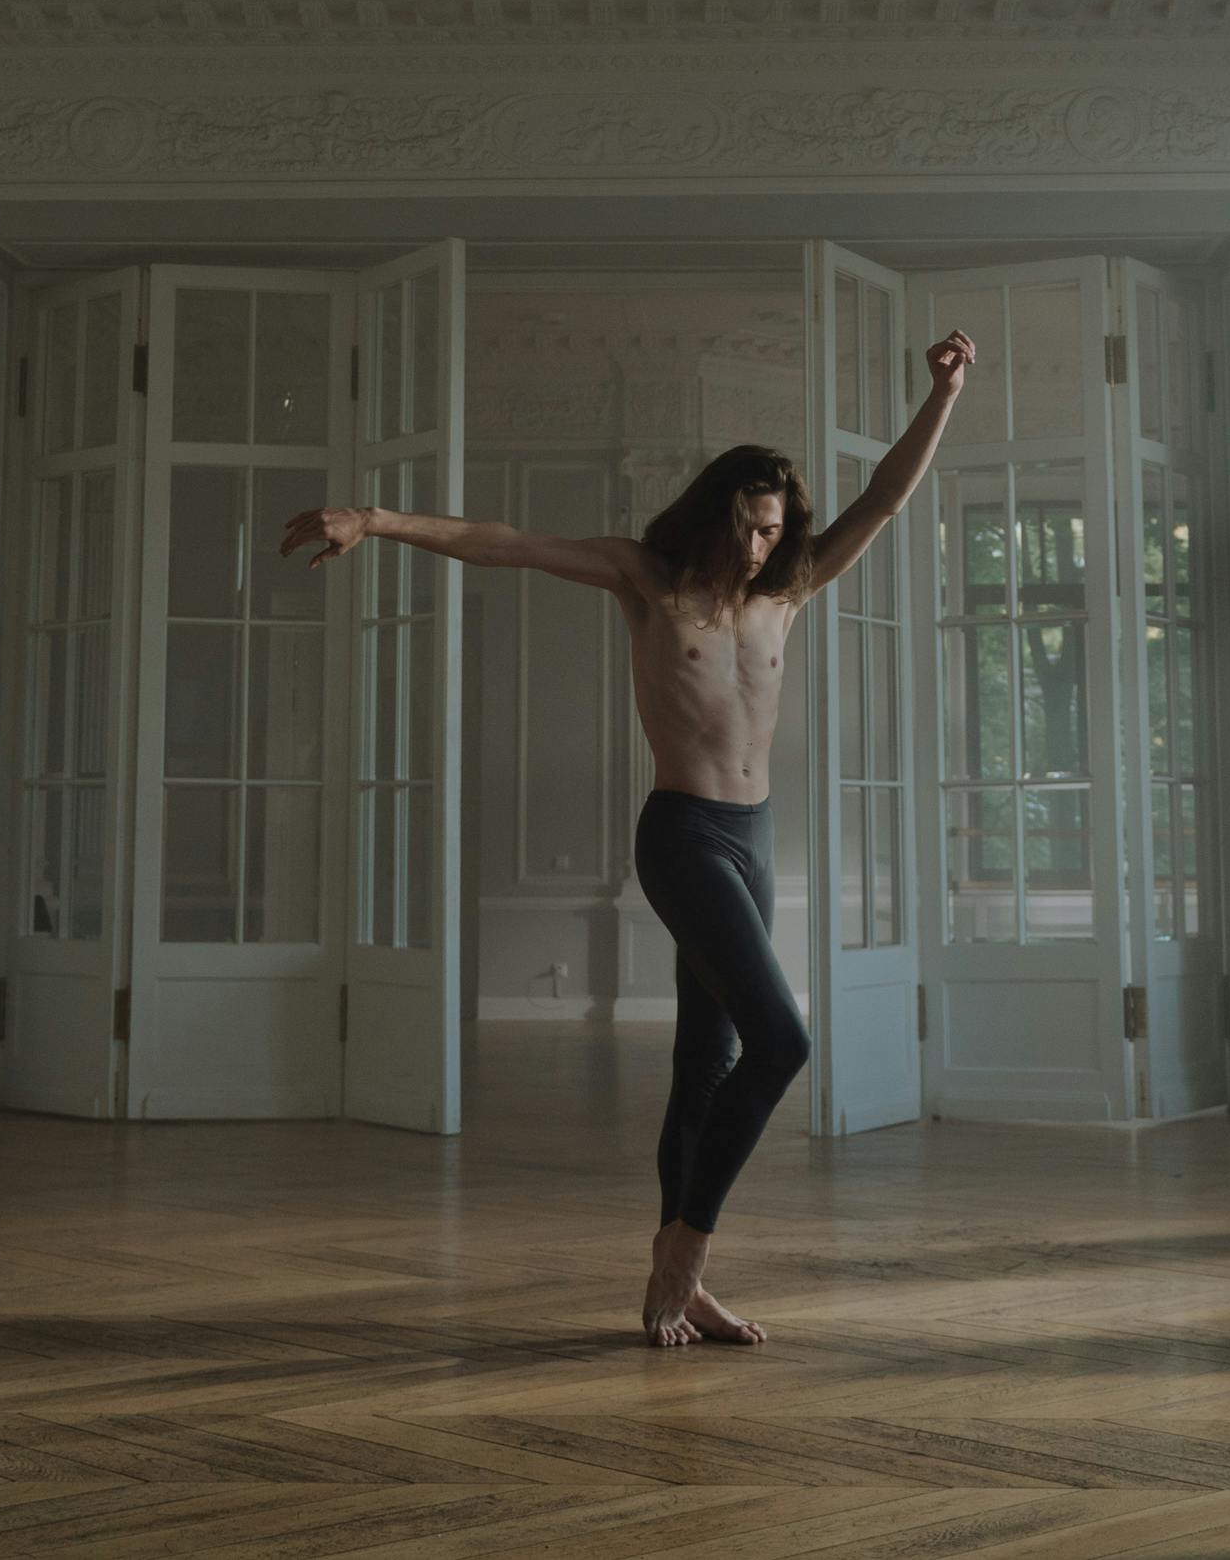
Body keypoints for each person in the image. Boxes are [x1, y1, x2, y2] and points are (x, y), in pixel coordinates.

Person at [280, 329, 975, 1349]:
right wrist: (374, 518)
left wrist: (945, 392)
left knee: (707, 1056)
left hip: (750, 834)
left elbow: (884, 496)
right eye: (743, 524)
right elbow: (501, 539)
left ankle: (681, 1279)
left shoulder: (788, 592)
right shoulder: (644, 580)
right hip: (682, 833)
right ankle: (684, 1246)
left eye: (770, 527)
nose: (755, 544)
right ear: (711, 514)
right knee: (783, 1038)